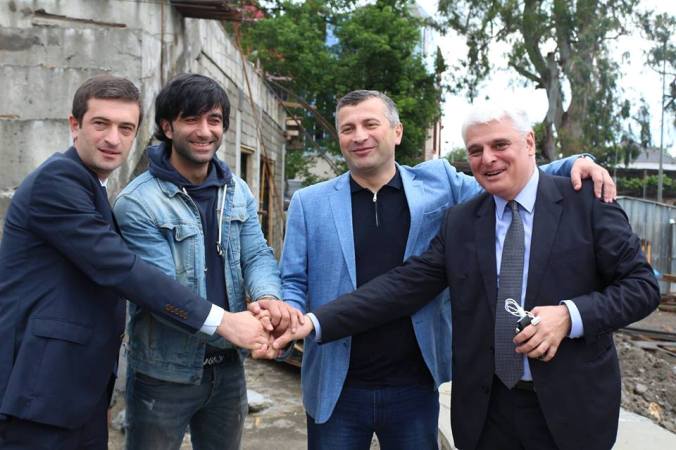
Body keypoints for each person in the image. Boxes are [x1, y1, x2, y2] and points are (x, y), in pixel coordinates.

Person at [252, 90, 617, 449]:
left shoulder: (439, 184)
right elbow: (294, 280)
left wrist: (576, 163)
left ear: (397, 132)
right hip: (336, 380)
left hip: (413, 383)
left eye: (370, 124)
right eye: (348, 128)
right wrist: (291, 319)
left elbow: (508, 175)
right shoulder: (309, 203)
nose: (359, 136)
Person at [0, 75, 271, 450]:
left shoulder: (91, 184)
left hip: (77, 384)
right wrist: (225, 322)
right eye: (101, 124)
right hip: (41, 386)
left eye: (125, 128)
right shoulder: (58, 182)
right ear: (75, 125)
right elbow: (123, 270)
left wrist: (268, 299)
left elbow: (256, 253)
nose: (113, 139)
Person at [113, 73, 300, 450]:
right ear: (167, 127)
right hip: (163, 375)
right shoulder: (138, 203)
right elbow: (161, 293)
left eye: (214, 120)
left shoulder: (237, 190)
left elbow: (256, 254)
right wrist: (233, 326)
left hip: (228, 370)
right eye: (191, 119)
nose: (204, 131)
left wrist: (268, 300)